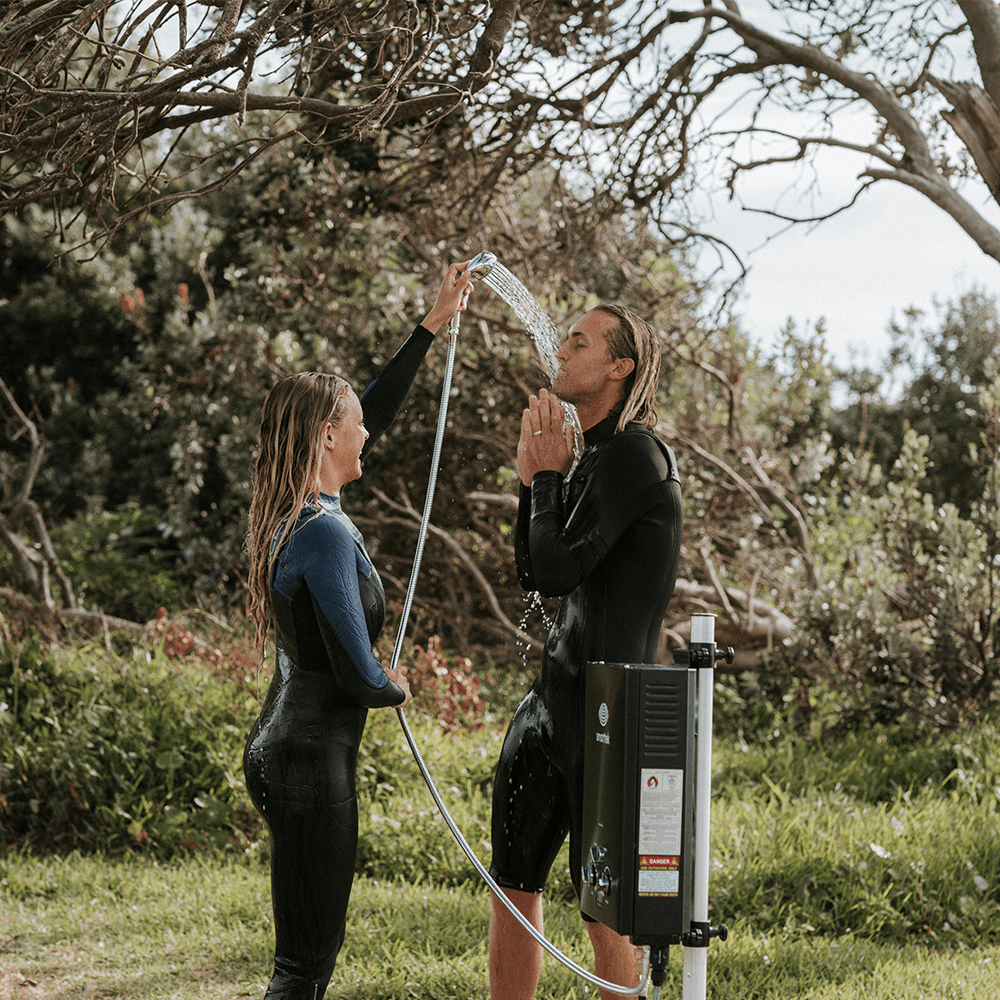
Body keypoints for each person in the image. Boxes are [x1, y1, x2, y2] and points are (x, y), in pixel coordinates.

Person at [243, 261, 474, 1000]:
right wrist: (397, 686)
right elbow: (357, 673)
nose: (370, 431)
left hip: (287, 749)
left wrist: (432, 326)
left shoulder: (299, 513)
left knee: (301, 959)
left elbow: (375, 405)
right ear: (326, 436)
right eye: (356, 425)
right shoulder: (325, 533)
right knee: (306, 966)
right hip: (311, 763)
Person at [488, 303, 683, 1000]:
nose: (561, 350)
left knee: (606, 913)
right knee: (512, 885)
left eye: (578, 342)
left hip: (610, 716)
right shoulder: (587, 453)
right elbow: (537, 572)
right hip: (552, 704)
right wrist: (531, 479)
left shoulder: (636, 454)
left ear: (619, 366)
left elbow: (563, 570)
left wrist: (545, 478)